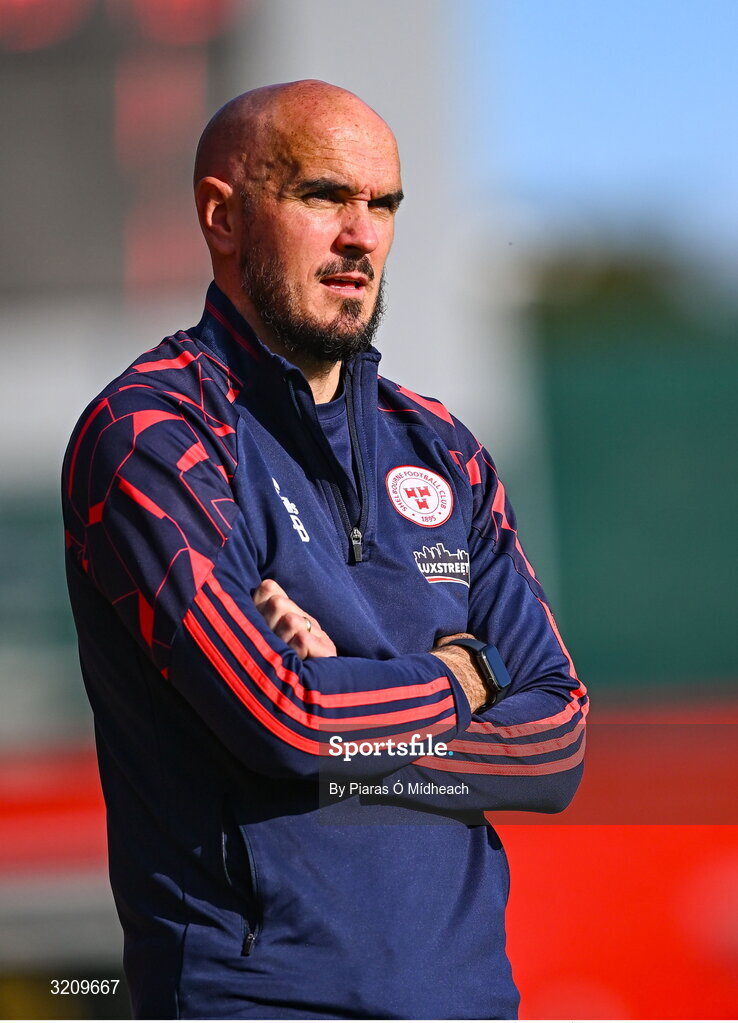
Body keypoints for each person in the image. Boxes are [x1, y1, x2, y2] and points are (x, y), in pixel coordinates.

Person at [62, 80, 587, 1020]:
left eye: (382, 204)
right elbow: (284, 723)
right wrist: (463, 678)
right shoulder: (149, 434)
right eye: (323, 197)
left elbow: (554, 743)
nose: (363, 236)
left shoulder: (445, 448)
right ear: (222, 216)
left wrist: (350, 703)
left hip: (468, 1000)